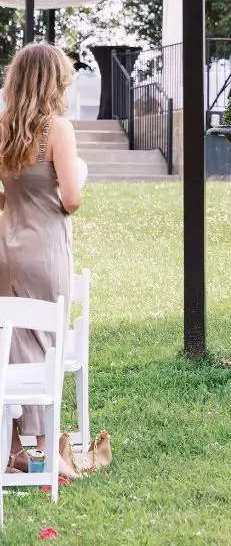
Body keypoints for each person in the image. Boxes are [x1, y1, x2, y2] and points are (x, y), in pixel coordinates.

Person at [0, 44, 84, 478]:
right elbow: (70, 199)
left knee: (10, 345)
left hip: (6, 250)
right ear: (53, 80)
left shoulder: (3, 128)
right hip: (45, 249)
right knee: (46, 343)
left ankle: (13, 449)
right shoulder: (57, 129)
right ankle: (50, 452)